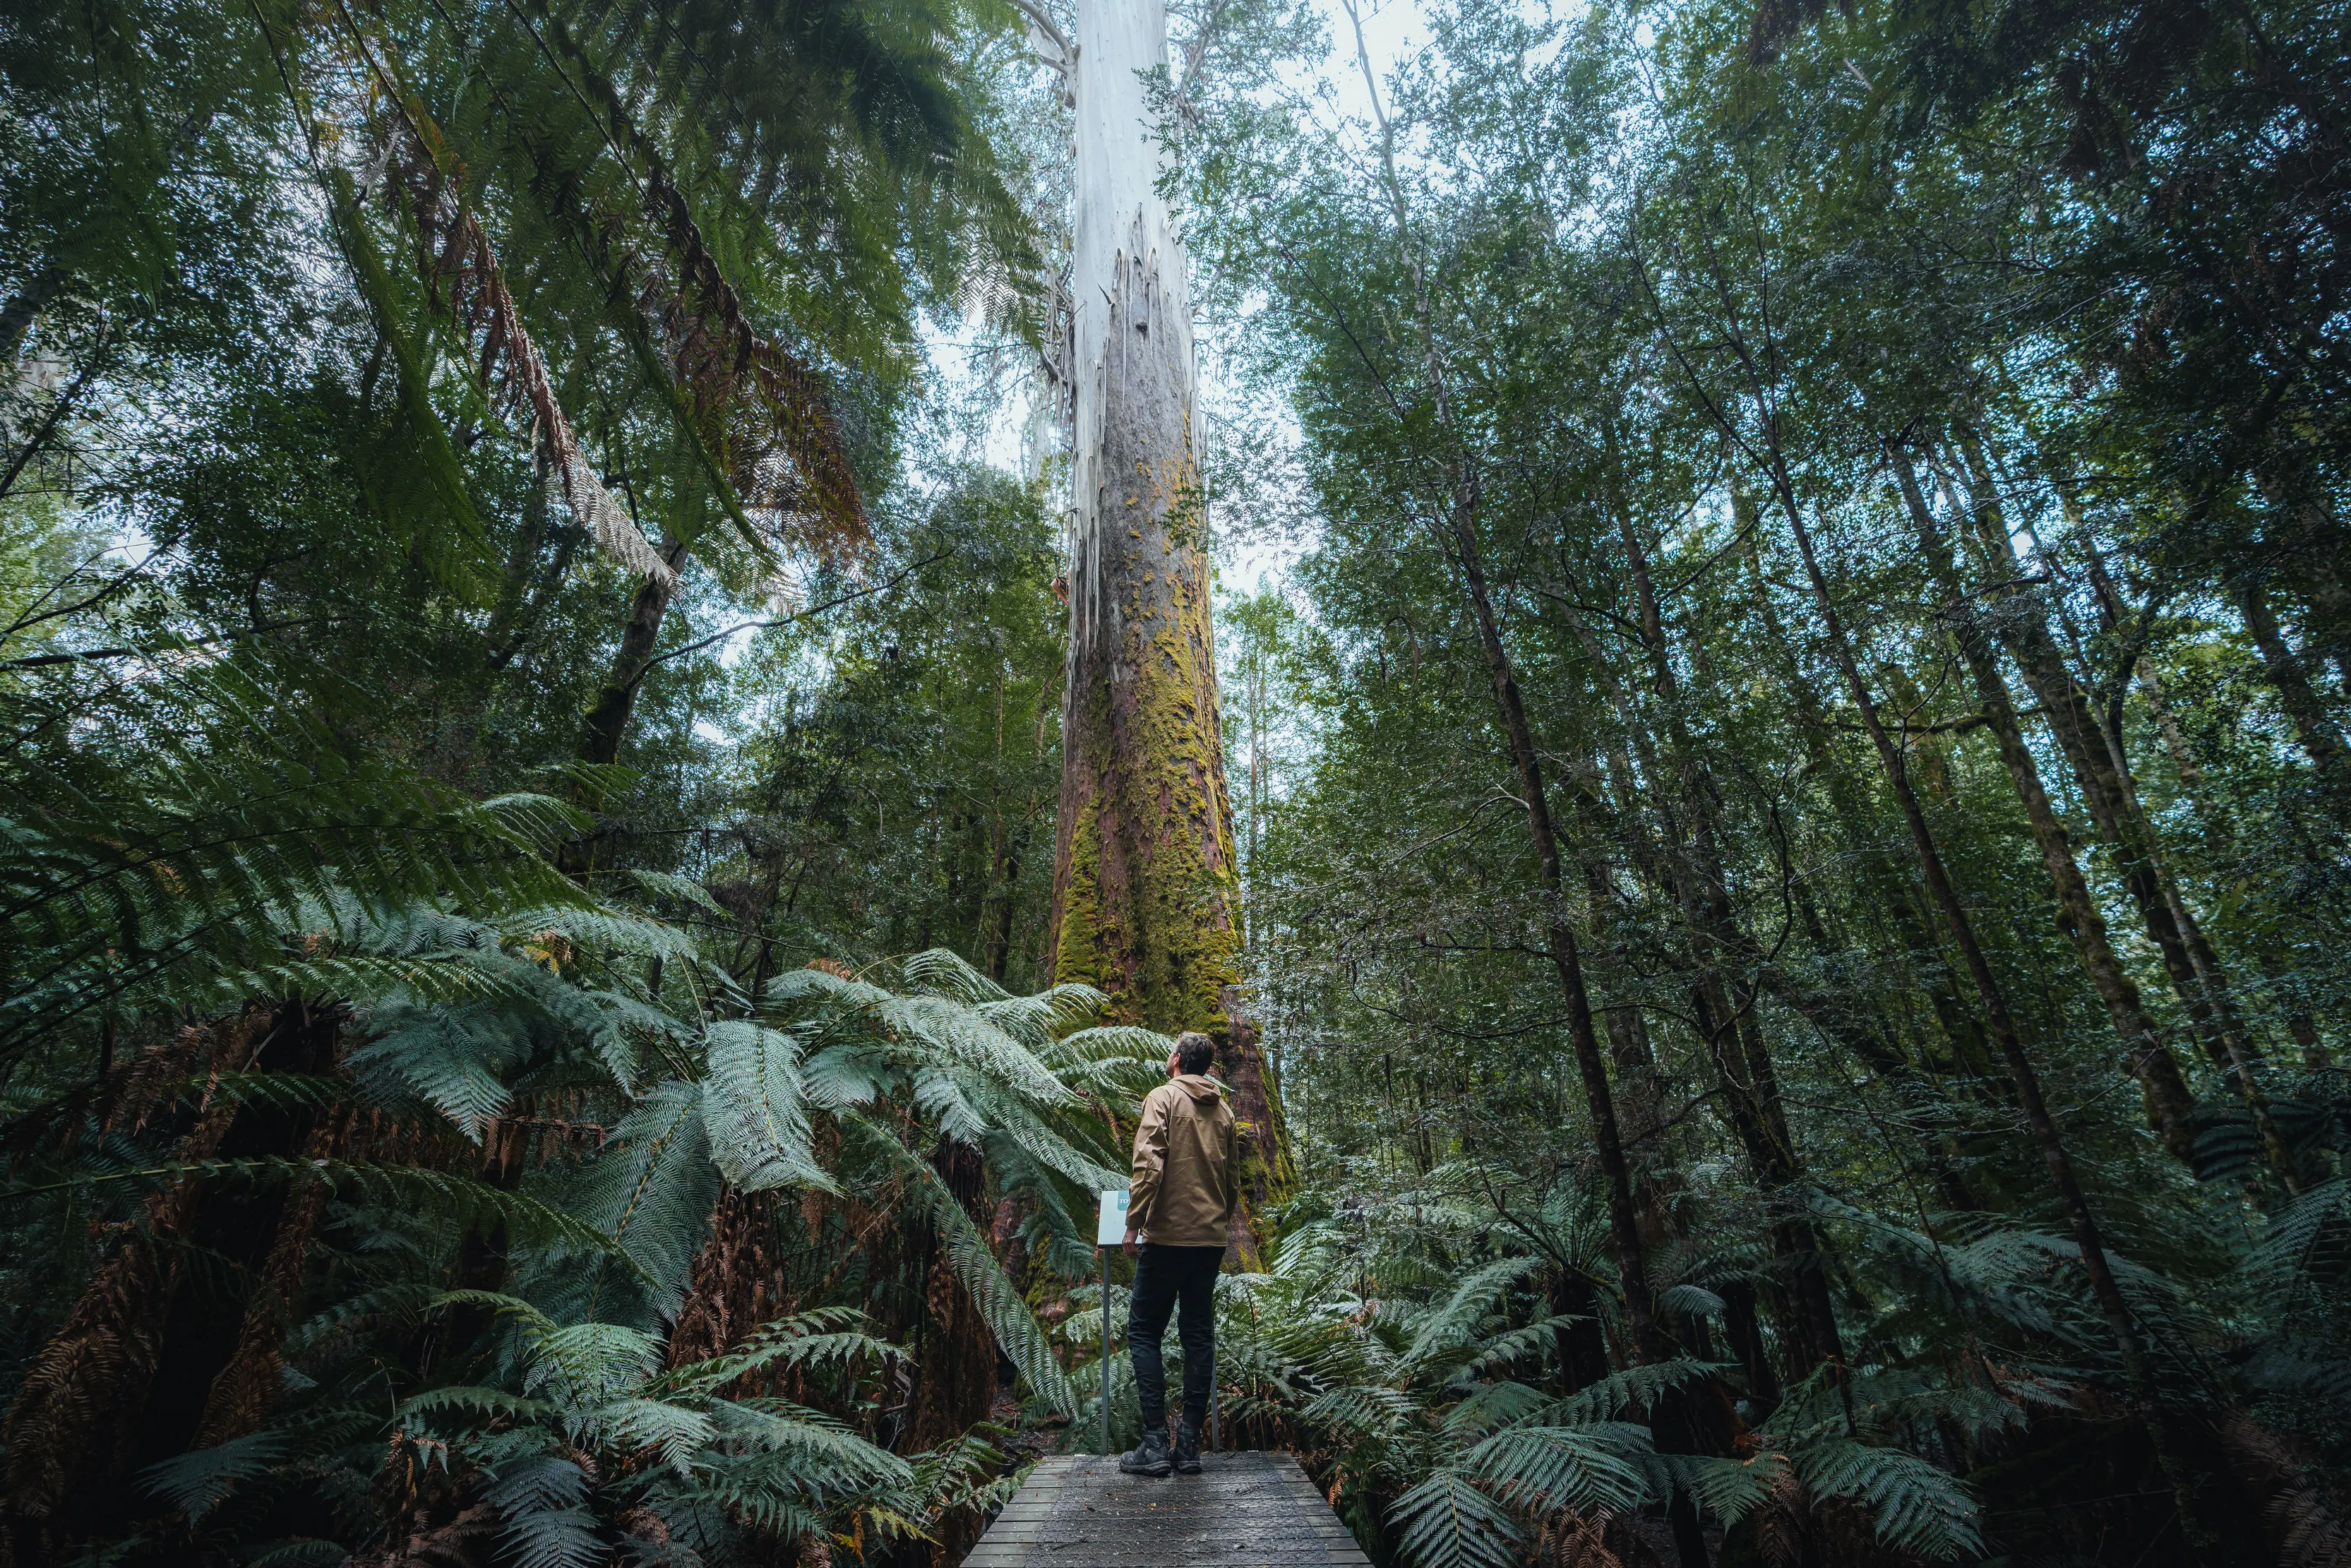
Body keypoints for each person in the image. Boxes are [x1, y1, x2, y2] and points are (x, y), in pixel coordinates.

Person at [1116, 1030, 1237, 1478]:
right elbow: (1233, 1181)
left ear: (1176, 1060)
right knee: (1198, 1336)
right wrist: (1219, 1226)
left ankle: (1153, 1443)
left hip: (1166, 1239)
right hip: (1209, 1242)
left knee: (1144, 1332)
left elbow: (1149, 1165)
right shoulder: (1223, 1111)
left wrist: (1134, 1225)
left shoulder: (1163, 1099)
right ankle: (1188, 1446)